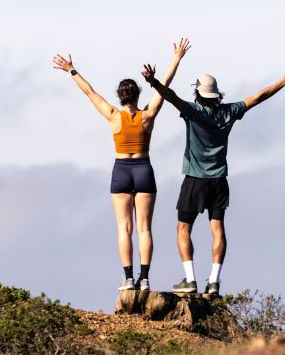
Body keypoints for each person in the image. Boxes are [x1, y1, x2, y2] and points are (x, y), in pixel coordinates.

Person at [140, 60, 285, 297]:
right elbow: (259, 97)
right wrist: (284, 81)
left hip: (195, 178)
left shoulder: (192, 111)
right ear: (216, 94)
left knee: (183, 229)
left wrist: (153, 82)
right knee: (217, 228)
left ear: (197, 93)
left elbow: (171, 96)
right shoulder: (229, 111)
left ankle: (190, 280)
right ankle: (214, 282)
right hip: (219, 179)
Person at [53, 39, 191, 294]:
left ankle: (128, 278)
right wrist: (176, 59)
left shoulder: (113, 115)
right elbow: (165, 86)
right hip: (144, 169)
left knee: (124, 228)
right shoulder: (147, 115)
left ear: (120, 96)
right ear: (137, 95)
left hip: (121, 171)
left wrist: (71, 70)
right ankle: (145, 278)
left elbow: (89, 92)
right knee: (144, 228)